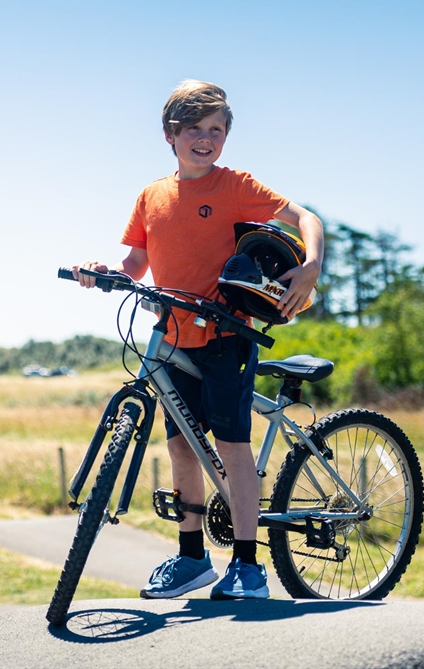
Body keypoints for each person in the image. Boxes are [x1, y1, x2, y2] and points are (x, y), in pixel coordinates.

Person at [74, 80, 324, 600]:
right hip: (171, 337)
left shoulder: (234, 186)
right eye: (193, 128)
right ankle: (191, 559)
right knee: (181, 447)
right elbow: (135, 263)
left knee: (231, 447)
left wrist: (311, 266)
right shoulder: (151, 196)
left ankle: (248, 567)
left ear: (226, 135)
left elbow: (306, 218)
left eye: (215, 129)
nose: (205, 138)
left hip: (225, 334)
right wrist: (104, 272)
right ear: (170, 135)